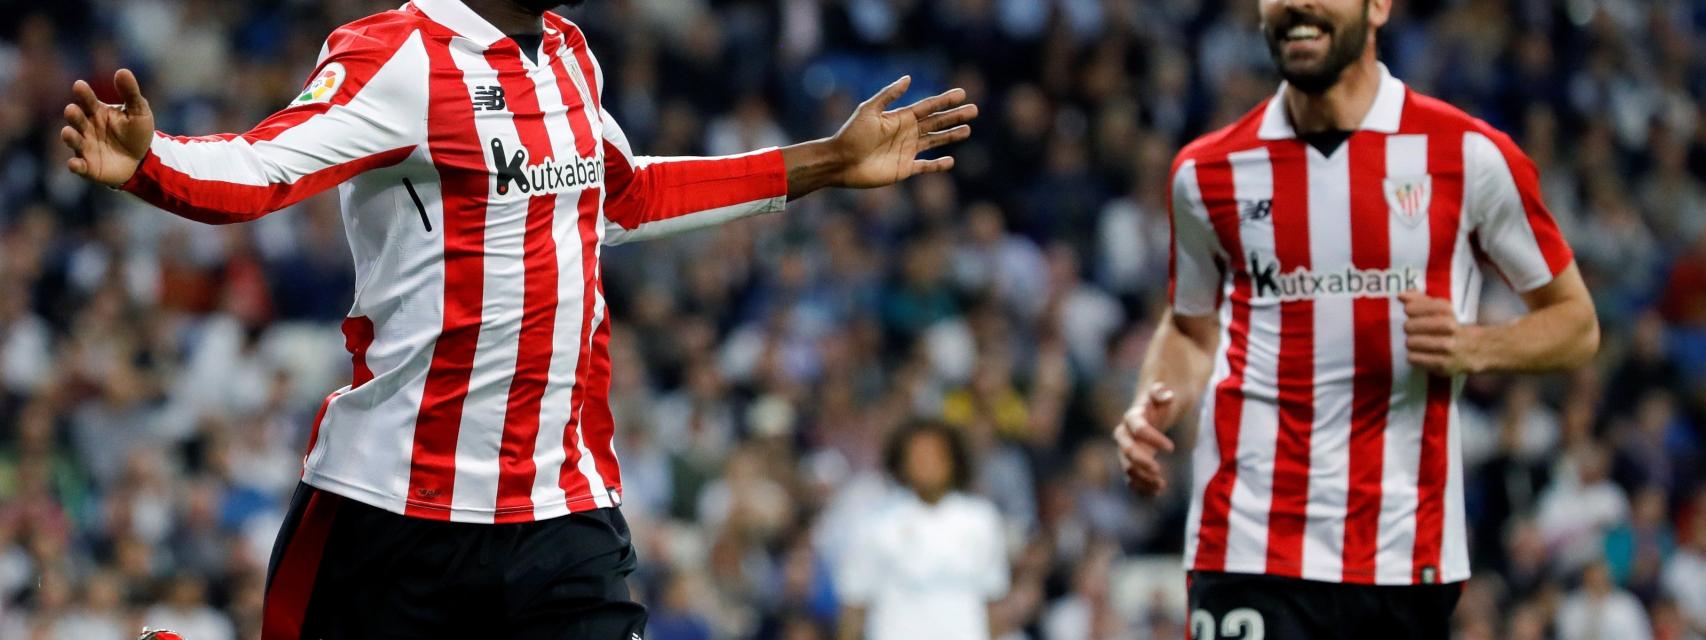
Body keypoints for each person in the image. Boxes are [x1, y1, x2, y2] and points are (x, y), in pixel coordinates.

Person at [59, 0, 979, 636]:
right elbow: (263, 169)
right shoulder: (399, 56)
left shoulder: (570, 55)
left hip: (562, 509)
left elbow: (626, 197)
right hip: (395, 512)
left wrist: (825, 160)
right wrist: (151, 162)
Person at [1110, 0, 1598, 638]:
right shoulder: (1206, 173)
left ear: (1379, 6)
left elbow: (1576, 325)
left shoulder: (1468, 155)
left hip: (1403, 551)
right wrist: (1154, 401)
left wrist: (1475, 348)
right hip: (1249, 539)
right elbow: (1190, 327)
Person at [836, 421, 1009, 640]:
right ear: (902, 461)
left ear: (953, 459)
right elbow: (855, 603)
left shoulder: (981, 519)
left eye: (935, 454)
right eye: (918, 455)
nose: (927, 463)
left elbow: (992, 601)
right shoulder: (875, 523)